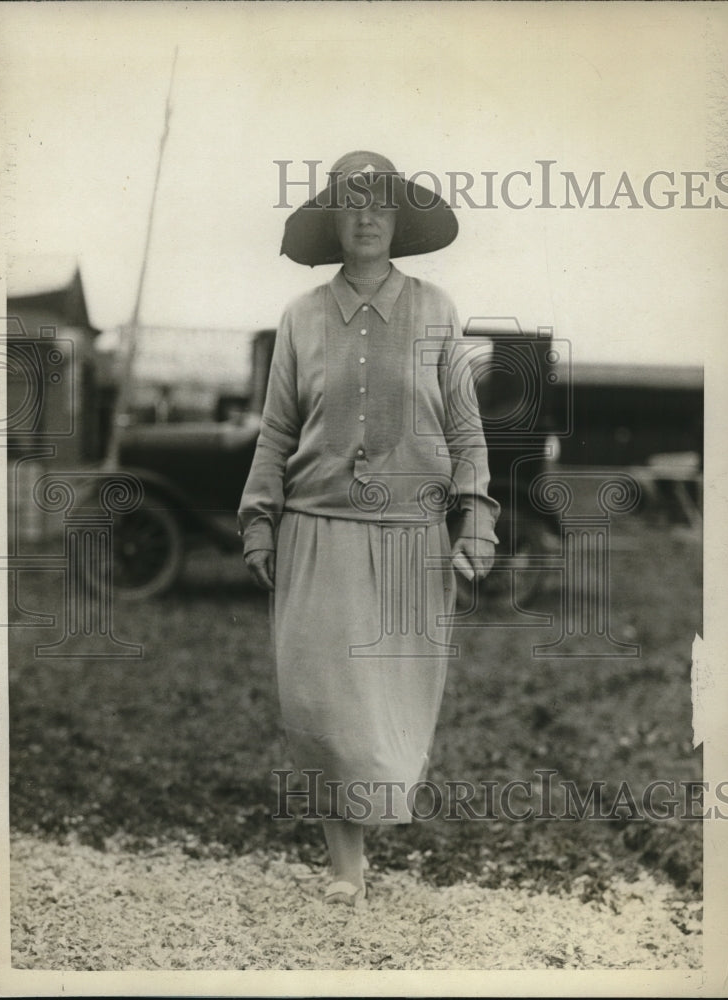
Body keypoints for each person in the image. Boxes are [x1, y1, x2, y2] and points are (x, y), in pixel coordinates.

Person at [238, 151, 500, 906]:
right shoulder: (299, 317)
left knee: (389, 705)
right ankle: (345, 870)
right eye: (350, 206)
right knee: (320, 703)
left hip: (409, 537)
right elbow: (275, 429)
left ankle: (370, 820)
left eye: (379, 207)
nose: (365, 219)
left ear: (395, 223)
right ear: (333, 221)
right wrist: (260, 520)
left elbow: (464, 427)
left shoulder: (437, 311)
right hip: (316, 528)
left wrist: (475, 516)